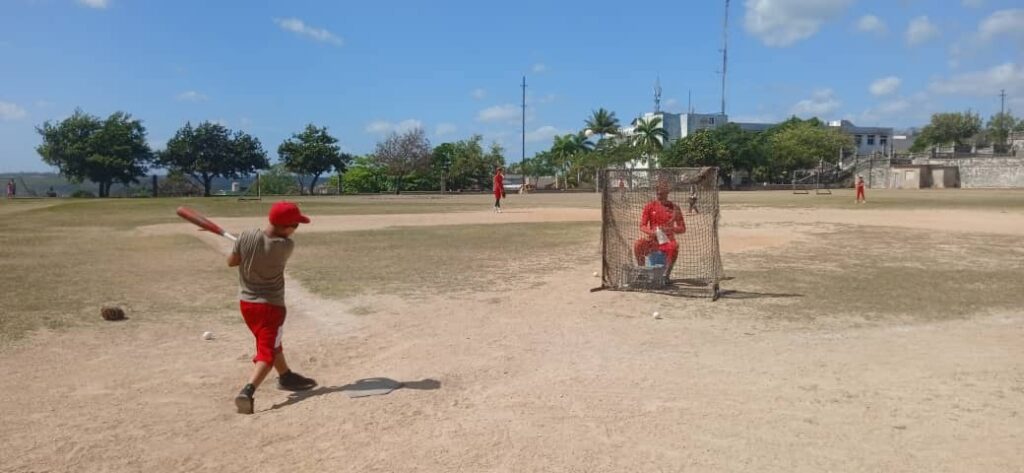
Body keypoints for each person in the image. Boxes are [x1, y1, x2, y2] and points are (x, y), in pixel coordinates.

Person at [228, 201, 317, 414]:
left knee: (270, 340)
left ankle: (286, 376)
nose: (295, 230)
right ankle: (247, 391)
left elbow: (232, 261)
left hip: (247, 305)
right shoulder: (285, 246)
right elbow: (268, 245)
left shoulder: (247, 235)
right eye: (295, 225)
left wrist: (242, 245)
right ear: (286, 227)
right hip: (270, 308)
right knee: (266, 352)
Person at [634, 179, 686, 278]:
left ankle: (666, 275)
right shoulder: (650, 206)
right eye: (657, 189)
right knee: (638, 244)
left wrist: (671, 229)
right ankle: (642, 272)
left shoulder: (675, 208)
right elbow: (642, 225)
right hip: (652, 241)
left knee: (674, 246)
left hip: (667, 242)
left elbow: (682, 228)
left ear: (667, 191)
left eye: (662, 190)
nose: (659, 192)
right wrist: (651, 232)